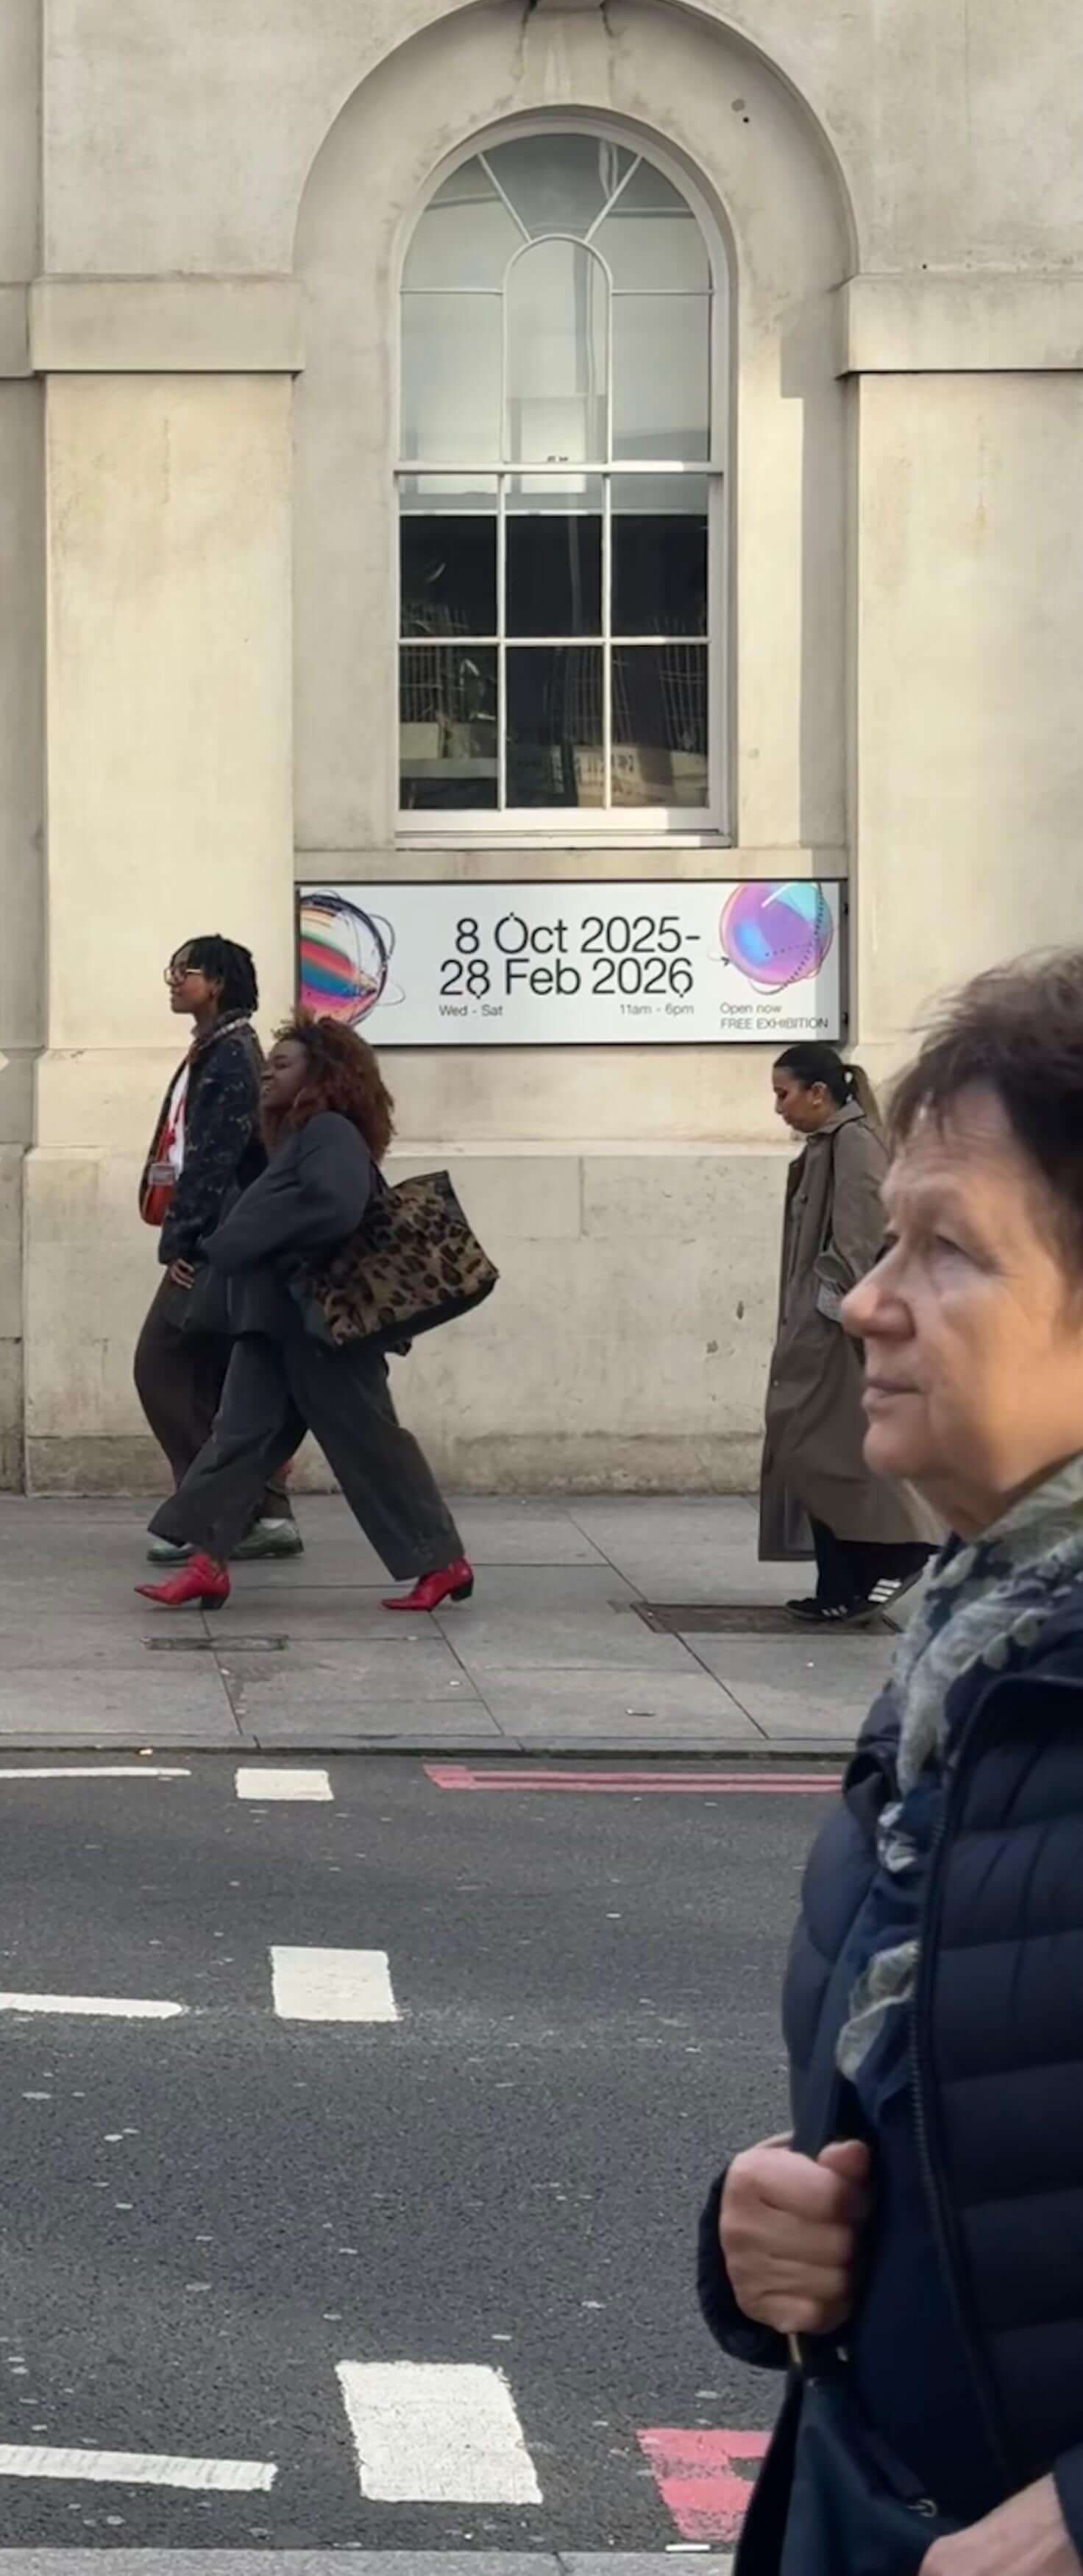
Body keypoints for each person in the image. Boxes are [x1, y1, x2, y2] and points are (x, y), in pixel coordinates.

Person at [700, 949, 1083, 2576]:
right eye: (888, 1241)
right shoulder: (980, 1648)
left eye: (950, 1253)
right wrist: (769, 2236)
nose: (872, 1298)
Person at [135, 1015, 472, 1616]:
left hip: (321, 1329)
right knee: (237, 1439)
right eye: (270, 1064)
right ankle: (207, 1563)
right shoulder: (293, 1140)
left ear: (324, 1076)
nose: (268, 1072)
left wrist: (238, 1240)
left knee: (369, 1444)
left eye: (283, 1064)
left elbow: (333, 1208)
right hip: (276, 1326)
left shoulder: (331, 1132)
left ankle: (442, 1562)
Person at [133, 935, 299, 1564]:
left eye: (187, 971)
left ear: (220, 984)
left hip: (218, 1244)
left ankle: (219, 1511)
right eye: (172, 968)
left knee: (163, 1368)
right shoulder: (219, 1047)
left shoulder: (231, 1055)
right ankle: (257, 1512)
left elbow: (213, 1160)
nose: (173, 980)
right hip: (228, 1241)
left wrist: (186, 1242)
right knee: (227, 1377)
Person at [760, 1041, 934, 1624]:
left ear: (818, 1092)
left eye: (784, 1095)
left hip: (832, 1328)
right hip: (820, 1324)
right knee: (822, 1452)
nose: (779, 1108)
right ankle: (840, 1583)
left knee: (821, 1450)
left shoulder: (854, 1143)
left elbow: (857, 1240)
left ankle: (906, 1546)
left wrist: (824, 1311)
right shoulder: (828, 1144)